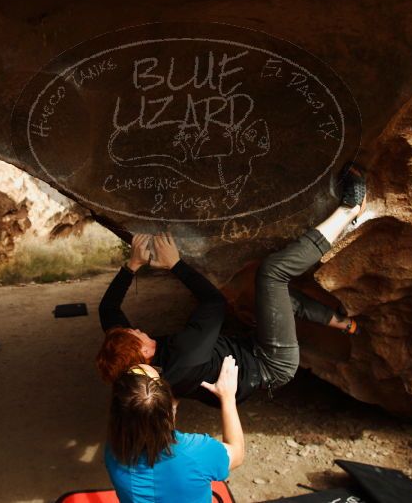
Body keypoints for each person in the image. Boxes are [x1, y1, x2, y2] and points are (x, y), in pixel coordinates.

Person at [96, 164, 367, 404]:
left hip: (248, 348)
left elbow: (108, 309)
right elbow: (214, 302)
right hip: (271, 363)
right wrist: (176, 264)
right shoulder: (184, 356)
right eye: (137, 334)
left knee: (269, 298)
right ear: (144, 351)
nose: (139, 329)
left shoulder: (135, 365)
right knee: (272, 274)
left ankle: (345, 324)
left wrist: (132, 265)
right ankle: (350, 209)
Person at [105, 356, 244, 502]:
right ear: (170, 410)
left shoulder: (113, 452)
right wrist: (228, 397)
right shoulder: (197, 453)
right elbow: (237, 453)